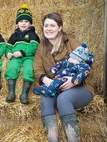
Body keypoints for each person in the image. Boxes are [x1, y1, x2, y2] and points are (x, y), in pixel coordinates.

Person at [33, 12, 94, 142]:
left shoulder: (72, 43)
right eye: (46, 25)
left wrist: (74, 80)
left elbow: (87, 64)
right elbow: (37, 69)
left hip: (80, 87)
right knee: (45, 98)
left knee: (63, 99)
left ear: (60, 27)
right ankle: (53, 139)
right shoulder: (41, 48)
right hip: (56, 86)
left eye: (52, 25)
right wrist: (46, 80)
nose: (48, 29)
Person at [5, 4, 40, 104]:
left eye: (26, 21)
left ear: (30, 23)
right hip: (15, 57)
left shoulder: (33, 35)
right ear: (17, 23)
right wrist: (8, 53)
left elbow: (33, 47)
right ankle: (11, 92)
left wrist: (22, 52)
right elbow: (8, 46)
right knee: (12, 67)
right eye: (21, 21)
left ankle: (24, 94)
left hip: (28, 57)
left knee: (29, 69)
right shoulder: (14, 35)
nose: (23, 23)